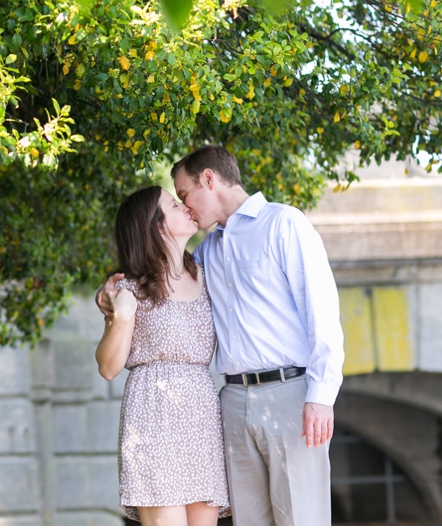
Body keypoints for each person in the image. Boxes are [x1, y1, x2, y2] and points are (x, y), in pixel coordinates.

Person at [97, 145, 344, 526]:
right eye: (177, 202)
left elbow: (323, 312)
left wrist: (322, 396)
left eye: (184, 196)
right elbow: (154, 278)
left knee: (301, 517)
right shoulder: (206, 254)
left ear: (209, 180)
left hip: (288, 394)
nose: (186, 207)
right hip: (229, 403)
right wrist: (110, 300)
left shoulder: (283, 224)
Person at [95, 185, 230, 526]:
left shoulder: (206, 272)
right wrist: (122, 315)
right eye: (174, 204)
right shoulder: (131, 287)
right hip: (153, 417)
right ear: (156, 225)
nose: (185, 206)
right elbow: (108, 367)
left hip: (201, 416)